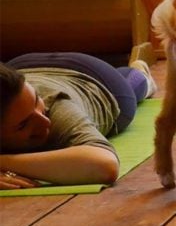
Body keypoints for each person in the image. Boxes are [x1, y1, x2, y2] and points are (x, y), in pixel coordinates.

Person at [0, 52, 157, 189]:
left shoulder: (57, 107)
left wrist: (3, 162)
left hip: (93, 74)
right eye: (23, 124)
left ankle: (140, 74)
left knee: (129, 92)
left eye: (36, 100)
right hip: (25, 64)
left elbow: (105, 166)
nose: (45, 121)